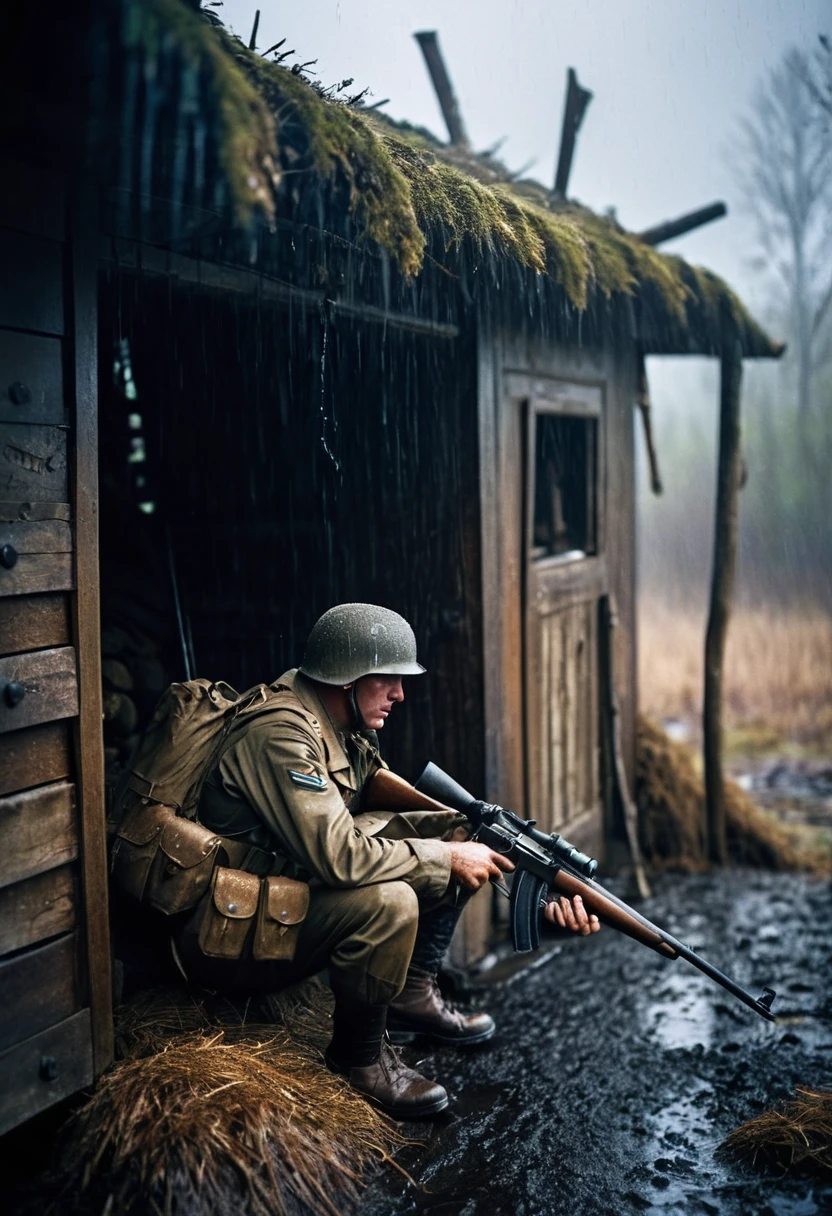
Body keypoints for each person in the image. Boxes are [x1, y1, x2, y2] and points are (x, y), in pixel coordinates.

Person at [174, 603, 599, 1118]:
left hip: (276, 899)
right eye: (389, 680)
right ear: (346, 677)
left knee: (462, 835)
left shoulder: (338, 722)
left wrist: (489, 849)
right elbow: (340, 859)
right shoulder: (281, 735)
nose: (400, 694)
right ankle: (359, 1060)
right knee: (392, 899)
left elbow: (379, 795)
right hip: (221, 937)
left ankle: (411, 994)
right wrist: (446, 854)